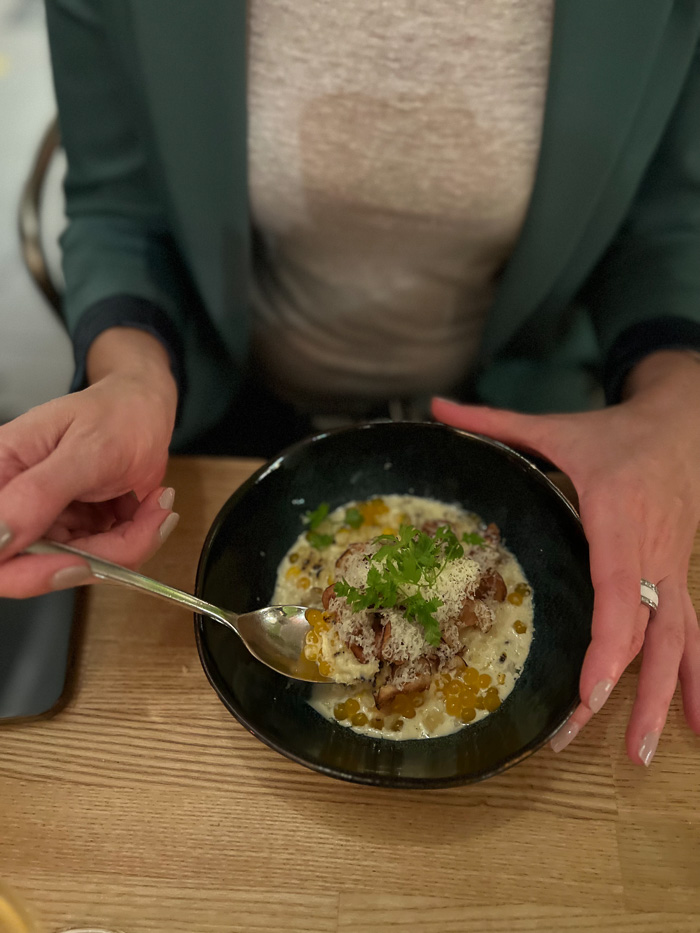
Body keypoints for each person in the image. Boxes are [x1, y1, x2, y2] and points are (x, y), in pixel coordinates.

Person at [1, 0, 699, 767]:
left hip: (536, 442)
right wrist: (131, 373)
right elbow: (120, 208)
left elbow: (667, 228)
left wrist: (673, 402)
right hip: (225, 430)